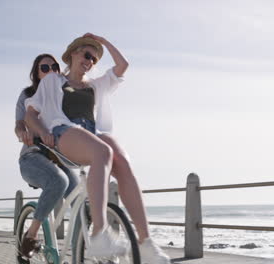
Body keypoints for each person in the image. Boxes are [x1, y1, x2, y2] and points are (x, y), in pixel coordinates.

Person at [24, 33, 170, 263]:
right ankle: (99, 234)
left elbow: (123, 65)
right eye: (86, 54)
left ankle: (145, 243)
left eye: (94, 58)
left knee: (122, 160)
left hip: (90, 133)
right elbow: (30, 114)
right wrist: (43, 132)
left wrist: (103, 41)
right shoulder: (53, 81)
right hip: (63, 132)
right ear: (73, 53)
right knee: (103, 152)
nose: (90, 61)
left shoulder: (96, 85)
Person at [15, 54, 79, 258]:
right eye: (44, 67)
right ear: (36, 73)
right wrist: (23, 134)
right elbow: (20, 123)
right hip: (32, 157)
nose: (50, 70)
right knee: (58, 181)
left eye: (54, 66)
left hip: (59, 157)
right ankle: (31, 235)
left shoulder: (62, 94)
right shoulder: (27, 95)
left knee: (79, 196)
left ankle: (83, 248)